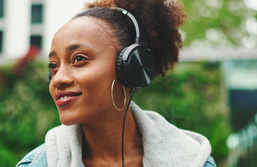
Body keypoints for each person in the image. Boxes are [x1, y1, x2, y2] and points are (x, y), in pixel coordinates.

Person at [17, 0, 216, 166]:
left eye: (79, 59)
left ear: (130, 66)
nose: (58, 79)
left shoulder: (196, 161)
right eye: (53, 65)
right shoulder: (35, 164)